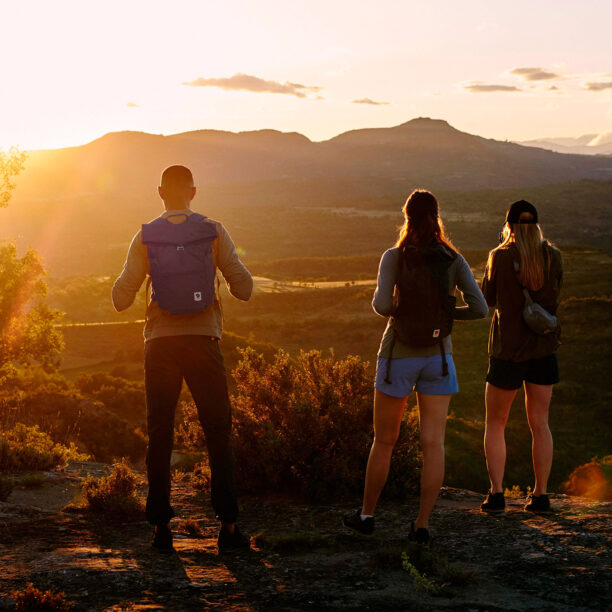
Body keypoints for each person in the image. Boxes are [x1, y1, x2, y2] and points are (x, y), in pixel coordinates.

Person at [112, 165, 253, 552]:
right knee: (217, 432)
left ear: (160, 192)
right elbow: (244, 288)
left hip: (160, 343)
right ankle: (228, 527)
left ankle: (160, 529)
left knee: (160, 432)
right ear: (194, 191)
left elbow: (121, 298)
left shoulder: (145, 235)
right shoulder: (214, 231)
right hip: (204, 340)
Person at [343, 189, 488, 543]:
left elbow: (380, 305)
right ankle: (421, 525)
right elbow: (481, 309)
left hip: (397, 357)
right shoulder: (453, 259)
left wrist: (403, 312)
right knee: (434, 444)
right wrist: (444, 316)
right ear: (437, 217)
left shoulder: (394, 256)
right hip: (439, 358)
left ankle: (366, 516)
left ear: (406, 217)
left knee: (385, 441)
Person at [480, 200, 562, 514]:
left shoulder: (499, 257)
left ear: (510, 226)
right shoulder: (553, 257)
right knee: (540, 424)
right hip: (543, 349)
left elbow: (487, 300)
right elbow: (555, 297)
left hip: (507, 352)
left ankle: (496, 494)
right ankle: (541, 496)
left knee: (496, 424)